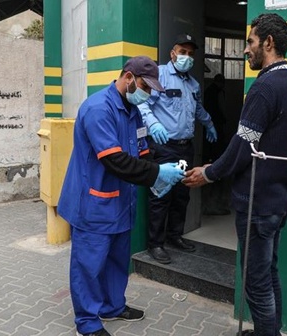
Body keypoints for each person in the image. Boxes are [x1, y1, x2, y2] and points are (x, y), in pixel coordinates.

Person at [183, 13, 287, 336]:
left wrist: (209, 173)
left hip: (258, 204)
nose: (245, 49)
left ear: (269, 42)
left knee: (257, 284)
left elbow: (241, 148)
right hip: (276, 202)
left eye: (250, 42)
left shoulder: (265, 87)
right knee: (269, 273)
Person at [57, 56, 186, 336]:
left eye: (152, 89)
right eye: (144, 86)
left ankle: (113, 306)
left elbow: (140, 152)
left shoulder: (133, 110)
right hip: (94, 203)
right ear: (128, 78)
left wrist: (163, 168)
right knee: (89, 266)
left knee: (117, 261)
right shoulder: (97, 109)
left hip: (120, 202)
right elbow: (114, 160)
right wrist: (155, 174)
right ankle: (88, 322)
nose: (148, 94)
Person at [138, 33, 218, 264]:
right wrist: (153, 124)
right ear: (173, 53)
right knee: (161, 195)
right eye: (182, 52)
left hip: (185, 148)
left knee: (182, 195)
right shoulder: (159, 75)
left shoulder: (193, 83)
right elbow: (143, 103)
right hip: (164, 147)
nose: (187, 57)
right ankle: (155, 244)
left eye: (191, 54)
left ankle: (175, 236)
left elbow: (198, 109)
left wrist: (209, 123)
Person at [202, 73, 231, 215]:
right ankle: (212, 205)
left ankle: (209, 205)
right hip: (215, 130)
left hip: (210, 130)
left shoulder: (208, 91)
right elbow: (221, 111)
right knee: (216, 161)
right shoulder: (216, 92)